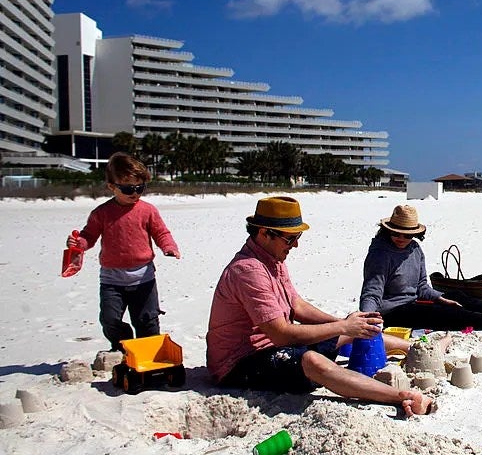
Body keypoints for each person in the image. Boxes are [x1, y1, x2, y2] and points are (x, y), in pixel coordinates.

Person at [206, 196, 435, 416]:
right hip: (239, 363)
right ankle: (400, 396)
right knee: (313, 360)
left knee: (355, 329)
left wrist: (344, 324)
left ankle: (416, 348)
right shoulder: (248, 270)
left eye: (297, 238)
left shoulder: (272, 259)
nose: (295, 245)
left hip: (275, 347)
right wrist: (343, 327)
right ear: (265, 233)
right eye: (290, 238)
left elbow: (297, 305)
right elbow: (281, 335)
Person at [359, 205, 482, 331]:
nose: (400, 238)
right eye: (395, 233)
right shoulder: (380, 254)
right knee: (454, 314)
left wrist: (440, 298)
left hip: (414, 301)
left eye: (406, 235)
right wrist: (367, 318)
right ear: (387, 230)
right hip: (392, 312)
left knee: (457, 298)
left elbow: (422, 286)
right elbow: (372, 290)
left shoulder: (414, 250)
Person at [66, 152, 180, 351]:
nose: (134, 192)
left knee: (148, 320)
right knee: (109, 320)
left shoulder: (148, 210)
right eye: (128, 188)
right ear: (112, 186)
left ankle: (148, 353)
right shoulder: (101, 213)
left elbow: (161, 232)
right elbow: (89, 236)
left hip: (143, 278)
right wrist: (78, 243)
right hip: (112, 280)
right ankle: (123, 345)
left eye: (140, 187)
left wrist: (169, 247)